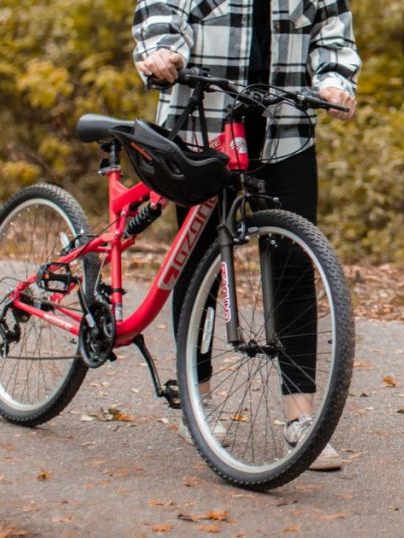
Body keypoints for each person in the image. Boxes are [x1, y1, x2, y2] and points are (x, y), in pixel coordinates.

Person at [132, 0, 360, 470]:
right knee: (198, 267)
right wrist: (163, 52)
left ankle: (301, 421)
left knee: (296, 264)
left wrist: (335, 82)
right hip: (203, 123)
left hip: (286, 127)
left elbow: (333, 33)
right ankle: (198, 400)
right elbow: (160, 10)